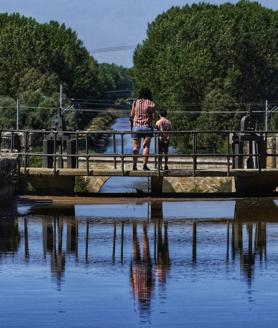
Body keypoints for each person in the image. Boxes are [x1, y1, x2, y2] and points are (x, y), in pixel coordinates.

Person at [130, 88, 156, 171]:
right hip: (147, 128)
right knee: (146, 147)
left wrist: (132, 125)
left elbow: (131, 115)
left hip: (136, 127)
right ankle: (144, 165)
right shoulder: (151, 103)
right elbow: (154, 117)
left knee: (136, 146)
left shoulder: (135, 103)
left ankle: (134, 165)